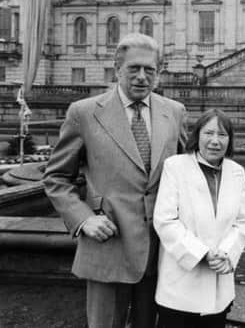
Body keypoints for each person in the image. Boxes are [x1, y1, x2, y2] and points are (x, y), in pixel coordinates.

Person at [43, 33, 188, 328]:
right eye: (134, 68)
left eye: (150, 70)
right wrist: (83, 218)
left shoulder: (174, 112)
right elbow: (57, 177)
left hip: (161, 253)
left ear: (159, 73)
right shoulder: (83, 112)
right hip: (108, 246)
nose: (142, 77)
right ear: (117, 68)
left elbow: (186, 175)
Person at [153, 108, 245, 328]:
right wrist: (203, 253)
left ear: (230, 140)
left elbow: (242, 223)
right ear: (197, 135)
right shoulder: (175, 166)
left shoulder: (237, 172)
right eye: (209, 133)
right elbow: (165, 220)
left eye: (222, 135)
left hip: (219, 288)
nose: (215, 141)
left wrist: (227, 254)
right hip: (180, 287)